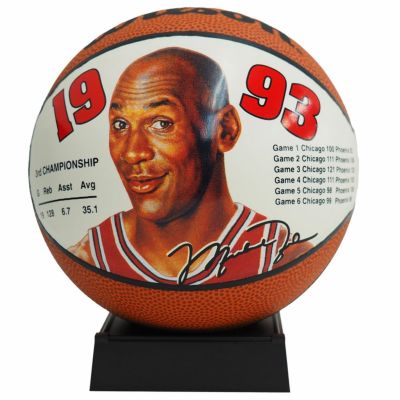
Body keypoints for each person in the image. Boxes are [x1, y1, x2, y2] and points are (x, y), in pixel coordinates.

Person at [69, 47, 312, 285]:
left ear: (225, 130)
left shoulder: (285, 257)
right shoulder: (90, 257)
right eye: (120, 125)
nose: (132, 153)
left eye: (162, 124)